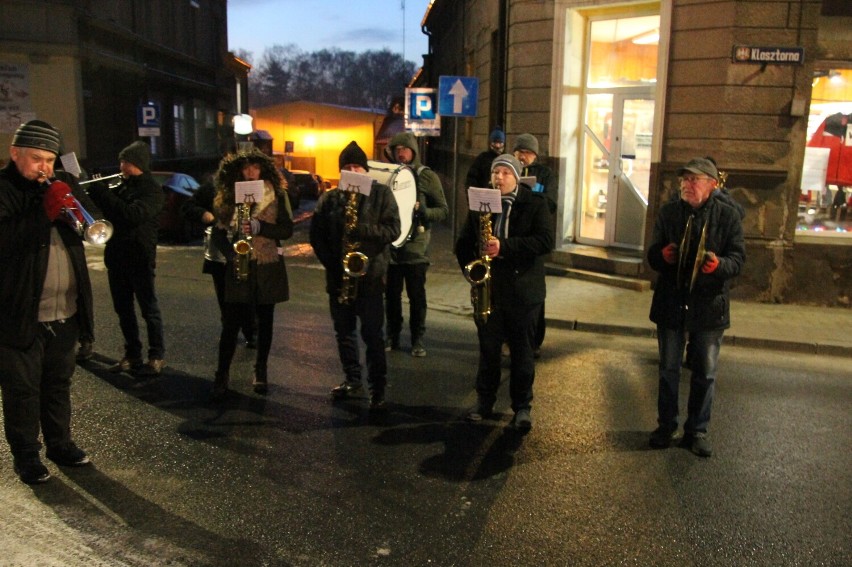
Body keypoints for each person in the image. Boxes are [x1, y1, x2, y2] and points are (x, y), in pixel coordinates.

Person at [0, 120, 93, 484]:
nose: (45, 168)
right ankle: (26, 456)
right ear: (15, 154)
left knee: (58, 383)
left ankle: (60, 444)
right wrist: (43, 212)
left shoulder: (61, 184)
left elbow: (91, 221)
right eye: (37, 158)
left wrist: (78, 208)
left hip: (64, 310)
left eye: (50, 160)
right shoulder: (4, 188)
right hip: (18, 313)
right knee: (22, 390)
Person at [647, 157, 746, 457]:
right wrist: (661, 256)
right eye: (685, 179)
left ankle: (697, 431)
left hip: (708, 306)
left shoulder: (728, 216)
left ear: (712, 184)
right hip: (672, 302)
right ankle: (666, 426)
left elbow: (738, 259)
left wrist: (718, 266)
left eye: (695, 179)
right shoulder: (668, 212)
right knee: (668, 370)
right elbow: (651, 255)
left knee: (705, 372)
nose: (688, 185)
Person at [455, 154, 553, 431]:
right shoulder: (481, 205)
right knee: (488, 351)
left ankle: (522, 407)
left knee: (522, 353)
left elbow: (545, 241)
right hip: (490, 290)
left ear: (517, 177)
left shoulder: (535, 203)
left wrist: (505, 247)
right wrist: (471, 272)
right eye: (495, 172)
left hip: (523, 293)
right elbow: (463, 244)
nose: (499, 177)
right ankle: (484, 401)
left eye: (505, 173)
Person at [310, 141, 400, 409]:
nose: (352, 171)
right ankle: (352, 380)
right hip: (338, 279)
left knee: (373, 335)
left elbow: (393, 231)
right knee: (344, 333)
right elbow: (317, 237)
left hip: (371, 278)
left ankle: (378, 389)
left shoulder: (382, 194)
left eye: (357, 166)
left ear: (365, 169)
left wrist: (362, 230)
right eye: (347, 167)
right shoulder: (329, 198)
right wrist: (335, 265)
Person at [209, 148, 294, 400]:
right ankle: (222, 373)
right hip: (239, 265)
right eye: (246, 168)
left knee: (265, 321)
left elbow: (286, 229)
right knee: (231, 323)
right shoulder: (228, 196)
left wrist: (261, 227)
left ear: (263, 169)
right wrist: (231, 252)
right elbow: (217, 232)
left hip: (267, 264)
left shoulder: (276, 194)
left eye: (255, 167)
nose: (250, 172)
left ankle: (261, 370)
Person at [87, 141, 166, 377]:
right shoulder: (121, 186)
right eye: (121, 161)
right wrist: (95, 190)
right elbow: (107, 212)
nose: (122, 166)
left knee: (148, 309)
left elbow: (132, 215)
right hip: (117, 256)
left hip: (139, 256)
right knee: (123, 310)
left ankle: (156, 355)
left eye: (127, 162)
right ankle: (132, 355)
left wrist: (102, 192)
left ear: (138, 164)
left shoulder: (151, 190)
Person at [382, 132, 448, 357]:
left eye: (405, 148)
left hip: (416, 249)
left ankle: (418, 338)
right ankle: (392, 335)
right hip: (390, 248)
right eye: (396, 148)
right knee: (391, 296)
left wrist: (424, 212)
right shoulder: (387, 175)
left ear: (414, 151)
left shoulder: (426, 176)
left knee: (417, 297)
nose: (401, 152)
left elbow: (443, 209)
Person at [180, 173, 257, 348]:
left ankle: (251, 331)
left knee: (248, 294)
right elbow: (187, 207)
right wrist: (204, 214)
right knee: (224, 296)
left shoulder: (253, 187)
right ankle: (230, 331)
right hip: (219, 254)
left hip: (247, 249)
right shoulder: (213, 188)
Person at [513, 133, 558, 357]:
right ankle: (510, 341)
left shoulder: (545, 174)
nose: (523, 156)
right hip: (512, 239)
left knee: (534, 296)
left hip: (534, 238)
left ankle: (535, 341)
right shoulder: (508, 170)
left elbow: (551, 202)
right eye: (519, 152)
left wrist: (530, 197)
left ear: (535, 155)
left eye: (527, 153)